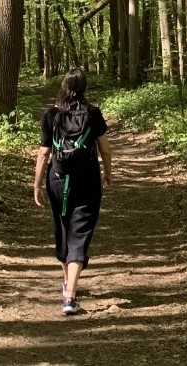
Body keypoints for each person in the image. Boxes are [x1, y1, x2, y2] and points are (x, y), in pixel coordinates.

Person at [33, 68, 112, 316]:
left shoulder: (51, 114)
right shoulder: (93, 113)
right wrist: (107, 173)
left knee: (63, 227)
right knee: (80, 233)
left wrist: (36, 184)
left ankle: (68, 284)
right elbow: (106, 150)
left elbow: (44, 153)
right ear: (85, 87)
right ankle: (69, 296)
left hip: (56, 180)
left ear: (64, 86)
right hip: (87, 181)